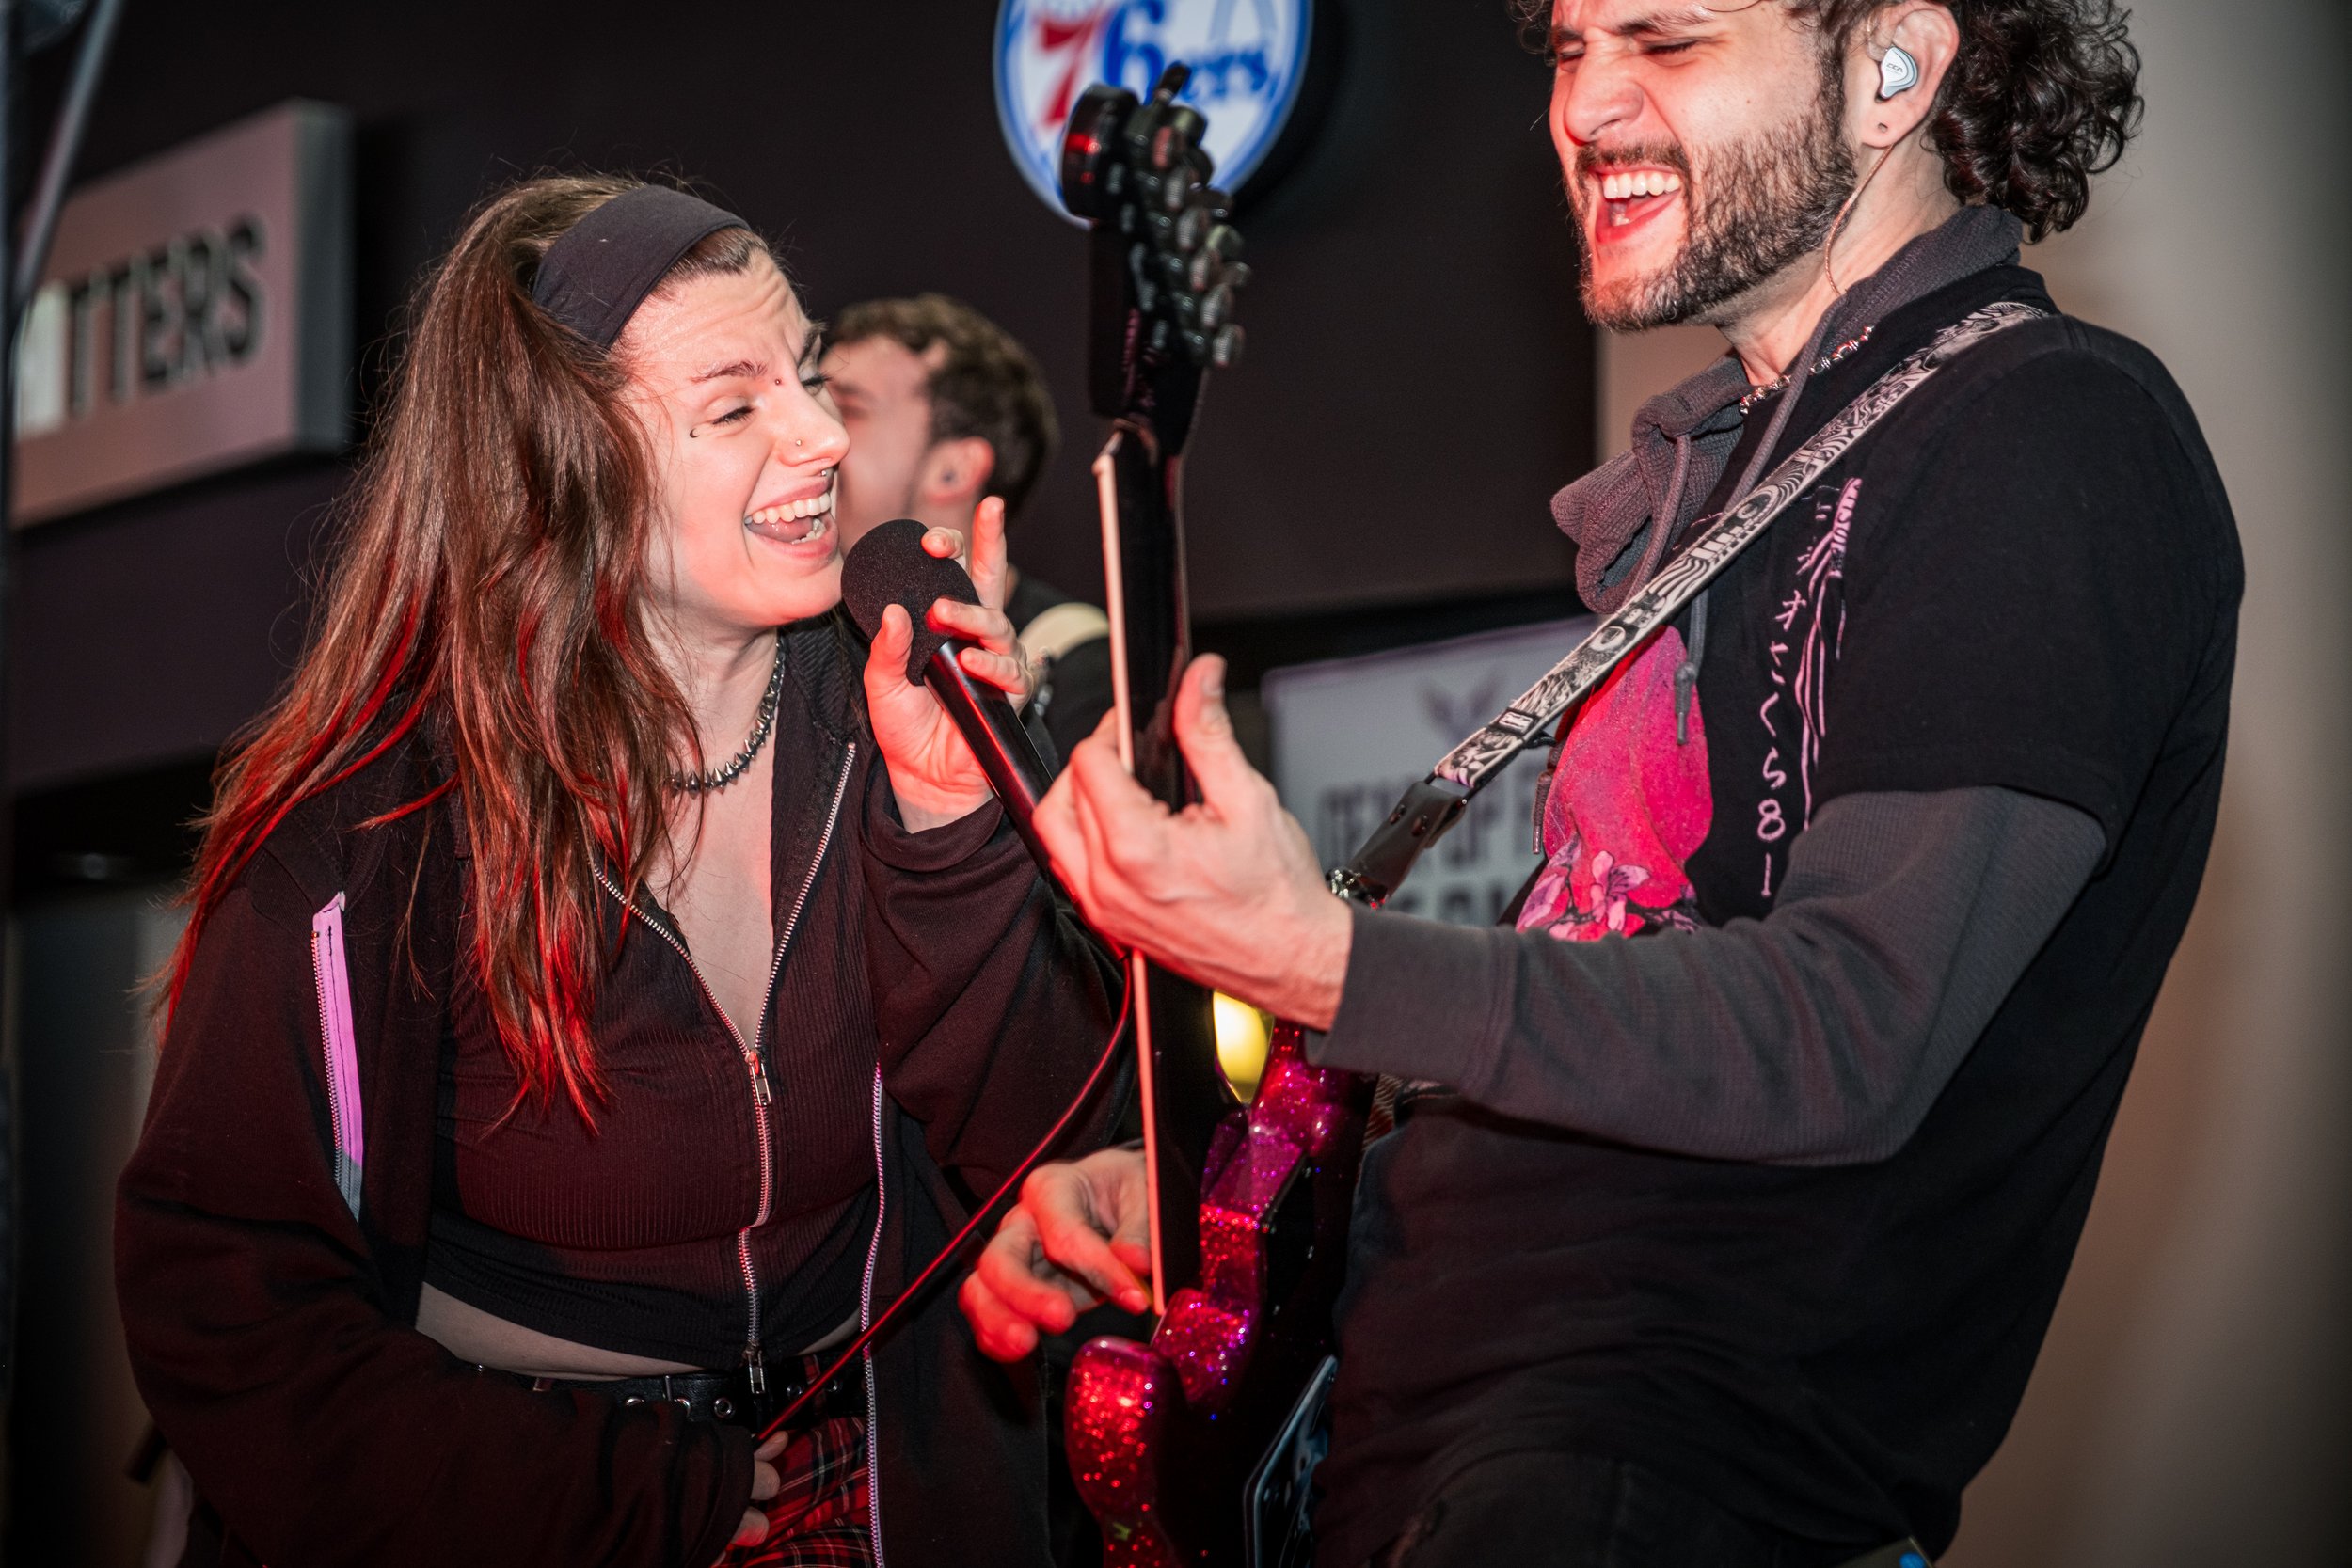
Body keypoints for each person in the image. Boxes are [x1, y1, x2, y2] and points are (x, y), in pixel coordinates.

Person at [959, 1, 2239, 1564]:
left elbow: (1850, 1031)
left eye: (1668, 41)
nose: (1588, 107)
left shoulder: (2046, 433)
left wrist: (1326, 961)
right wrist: (1230, 1225)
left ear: (1894, 65)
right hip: (1439, 1450)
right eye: (1570, 49)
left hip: (1662, 1474)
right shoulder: (1735, 475)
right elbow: (1599, 1039)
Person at [116, 175, 1118, 1568]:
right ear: (555, 463)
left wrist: (953, 825)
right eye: (735, 405)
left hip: (876, 1475)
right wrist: (622, 1488)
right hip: (527, 1504)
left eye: (811, 374)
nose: (824, 434)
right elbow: (227, 1308)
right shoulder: (369, 827)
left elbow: (1061, 1145)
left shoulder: (900, 702)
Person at [822, 293, 1115, 766]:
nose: (814, 428)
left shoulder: (1086, 675)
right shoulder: (801, 640)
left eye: (848, 408)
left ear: (954, 471)